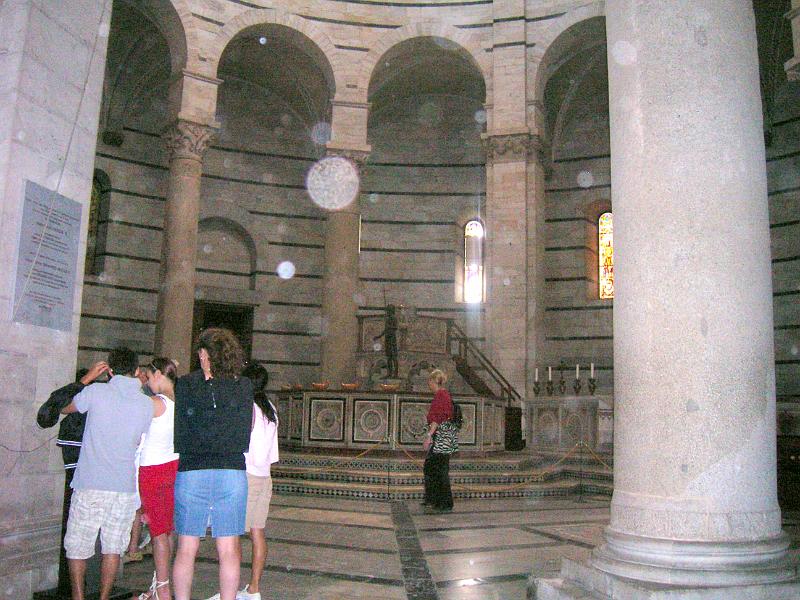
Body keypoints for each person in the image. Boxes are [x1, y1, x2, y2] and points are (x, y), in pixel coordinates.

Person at [60, 348, 154, 600]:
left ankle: (78, 597)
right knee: (113, 548)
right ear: (136, 371)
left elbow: (64, 408)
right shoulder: (146, 404)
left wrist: (86, 380)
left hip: (90, 482)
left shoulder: (96, 392)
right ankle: (103, 598)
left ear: (110, 370)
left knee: (78, 546)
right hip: (122, 486)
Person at [172, 328, 253, 600]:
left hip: (192, 469)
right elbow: (247, 428)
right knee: (229, 549)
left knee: (186, 548)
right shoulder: (243, 386)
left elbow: (182, 426)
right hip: (230, 471)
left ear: (205, 355)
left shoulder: (184, 384)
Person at [135, 358, 180, 600]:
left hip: (153, 471)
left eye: (150, 377)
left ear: (160, 375)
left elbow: (130, 412)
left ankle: (163, 590)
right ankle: (160, 584)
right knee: (166, 530)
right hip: (172, 467)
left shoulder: (156, 403)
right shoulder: (180, 402)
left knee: (158, 533)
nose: (148, 382)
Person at [422, 369, 454, 512]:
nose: (429, 384)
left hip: (441, 433)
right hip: (445, 433)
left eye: (430, 381)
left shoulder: (441, 395)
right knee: (435, 467)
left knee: (437, 468)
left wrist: (429, 436)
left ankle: (442, 501)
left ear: (435, 381)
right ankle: (435, 499)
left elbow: (437, 417)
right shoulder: (443, 394)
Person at [374, 304, 399, 378]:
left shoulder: (393, 318)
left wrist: (389, 326)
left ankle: (395, 374)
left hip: (392, 339)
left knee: (394, 357)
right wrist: (379, 336)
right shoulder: (388, 319)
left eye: (388, 310)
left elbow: (395, 327)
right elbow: (385, 330)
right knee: (389, 357)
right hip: (387, 338)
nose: (387, 312)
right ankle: (389, 373)